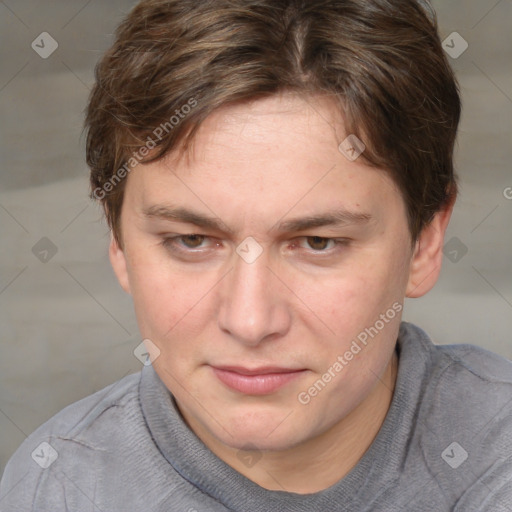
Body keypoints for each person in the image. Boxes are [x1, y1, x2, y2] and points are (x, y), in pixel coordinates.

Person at [1, 0, 511, 510]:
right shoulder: (58, 487)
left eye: (318, 243)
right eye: (192, 240)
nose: (249, 321)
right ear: (118, 240)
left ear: (425, 241)